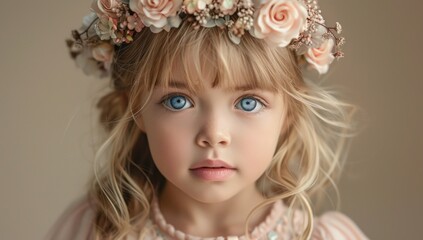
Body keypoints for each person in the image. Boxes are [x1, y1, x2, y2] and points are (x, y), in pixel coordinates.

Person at [47, 0, 368, 239]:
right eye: (178, 101)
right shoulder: (93, 230)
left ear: (289, 114)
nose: (214, 135)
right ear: (136, 110)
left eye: (248, 102)